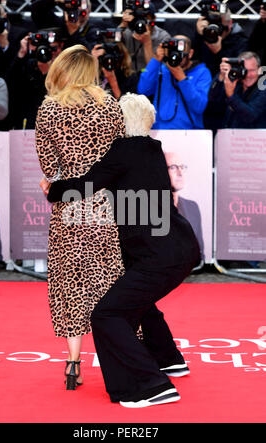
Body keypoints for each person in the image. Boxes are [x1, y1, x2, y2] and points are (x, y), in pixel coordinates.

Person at [45, 93, 200, 407]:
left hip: (160, 255)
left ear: (119, 122)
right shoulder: (152, 149)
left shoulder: (123, 151)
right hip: (179, 247)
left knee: (106, 313)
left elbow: (87, 184)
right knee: (137, 301)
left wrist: (53, 189)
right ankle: (168, 358)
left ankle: (149, 386)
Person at [35, 44, 125, 390]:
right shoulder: (110, 107)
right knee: (109, 280)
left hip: (70, 206)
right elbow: (121, 156)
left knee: (70, 283)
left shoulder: (49, 109)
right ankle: (120, 356)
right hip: (105, 204)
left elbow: (48, 165)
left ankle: (73, 363)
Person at [137, 35, 212, 129]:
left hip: (189, 134)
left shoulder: (202, 72)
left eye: (181, 53)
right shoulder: (162, 70)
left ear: (190, 53)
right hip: (160, 132)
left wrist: (182, 79)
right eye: (173, 51)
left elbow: (199, 106)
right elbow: (143, 90)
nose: (176, 56)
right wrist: (156, 60)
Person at [6, 29, 65, 129]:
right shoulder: (28, 65)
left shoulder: (67, 70)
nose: (50, 52)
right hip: (27, 123)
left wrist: (48, 73)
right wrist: (22, 52)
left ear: (61, 47)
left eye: (54, 48)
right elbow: (10, 84)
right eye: (46, 48)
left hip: (56, 125)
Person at [207, 51, 266, 130]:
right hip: (230, 137)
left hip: (255, 140)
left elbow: (250, 115)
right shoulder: (235, 82)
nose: (248, 75)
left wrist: (231, 96)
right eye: (245, 70)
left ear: (259, 70)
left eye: (252, 70)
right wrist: (221, 76)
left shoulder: (263, 87)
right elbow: (213, 99)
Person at [165, 151, 204, 262]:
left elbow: (200, 253)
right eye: (173, 167)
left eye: (182, 167)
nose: (180, 172)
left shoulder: (192, 207)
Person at [193, 5, 248, 78]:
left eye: (219, 25)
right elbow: (192, 62)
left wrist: (218, 53)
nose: (214, 30)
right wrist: (199, 34)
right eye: (212, 23)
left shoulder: (241, 42)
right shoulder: (202, 37)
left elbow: (237, 72)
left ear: (230, 23)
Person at [119, 2, 170, 74]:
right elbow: (110, 46)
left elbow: (154, 70)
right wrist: (122, 26)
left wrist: (147, 42)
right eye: (138, 17)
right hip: (129, 77)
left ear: (153, 19)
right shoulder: (127, 32)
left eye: (145, 17)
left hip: (150, 79)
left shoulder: (162, 36)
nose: (141, 22)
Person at [31, 0, 97, 50]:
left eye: (82, 11)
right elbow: (37, 11)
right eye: (75, 9)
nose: (78, 13)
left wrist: (74, 32)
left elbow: (90, 53)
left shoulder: (93, 31)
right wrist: (55, 1)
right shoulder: (58, 24)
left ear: (89, 11)